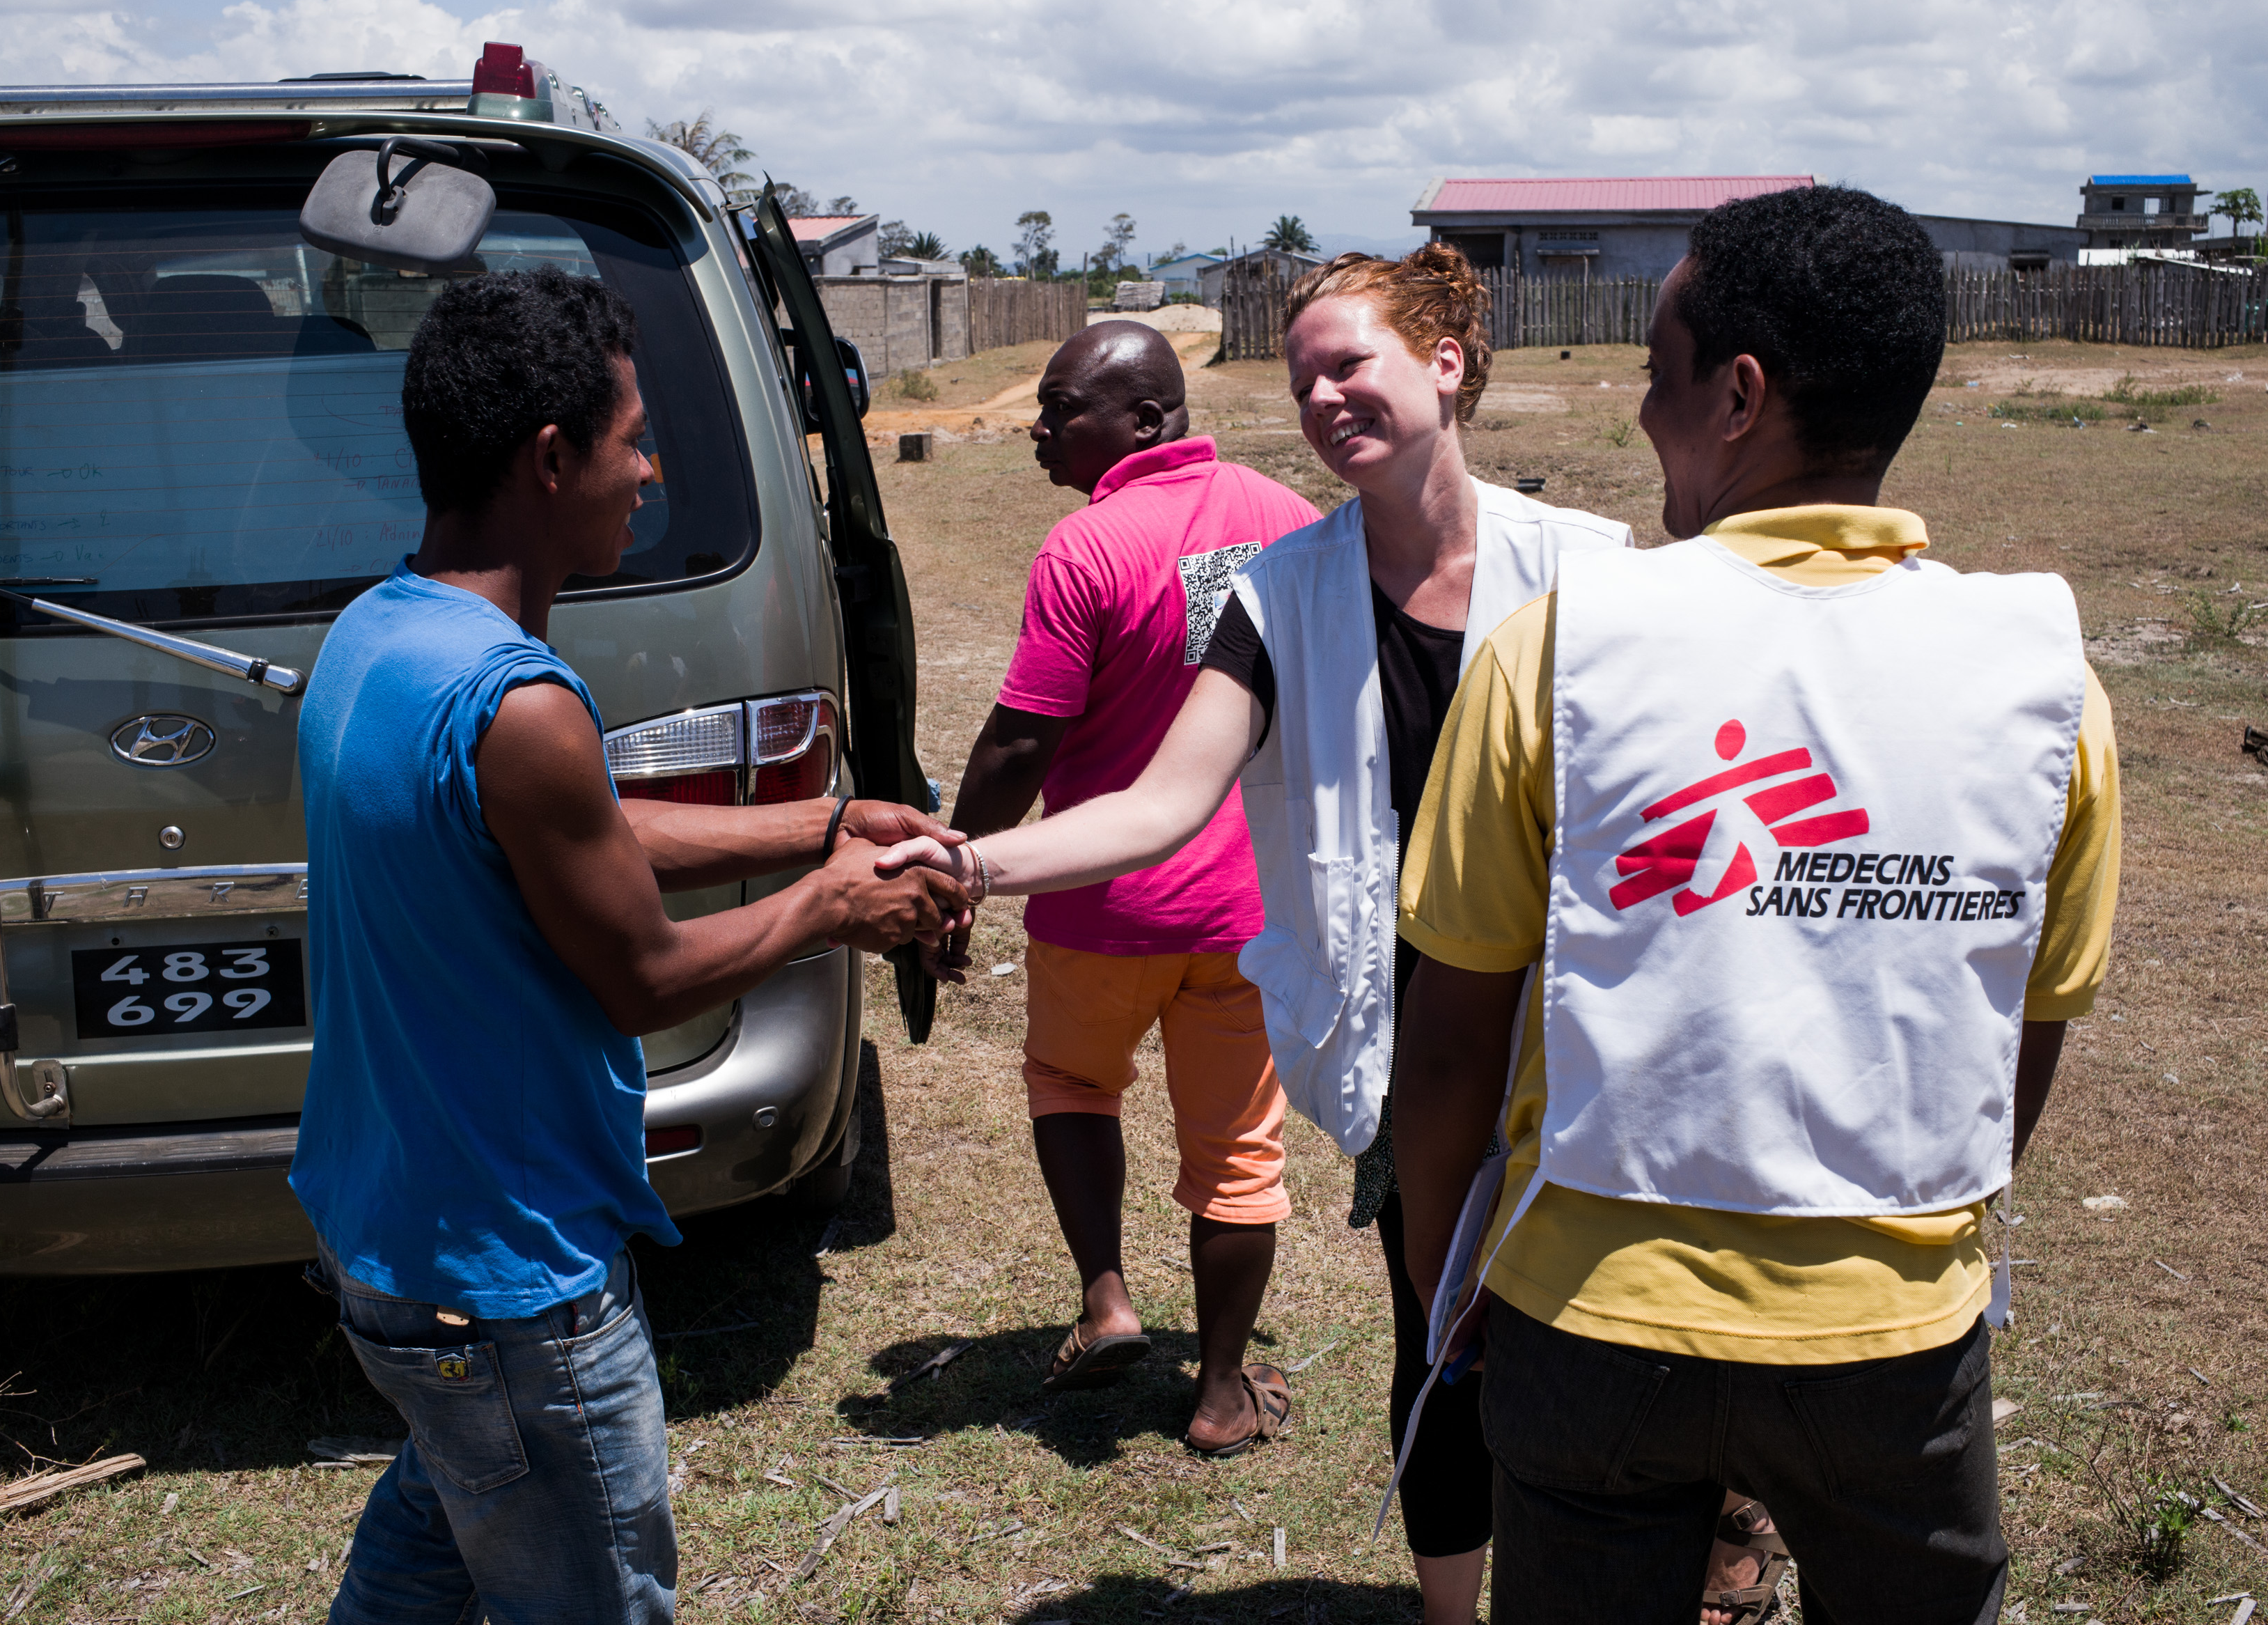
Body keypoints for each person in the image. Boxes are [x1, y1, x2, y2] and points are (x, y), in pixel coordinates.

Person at [1388, 185, 2124, 1625]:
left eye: (1657, 377)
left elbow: (1450, 1042)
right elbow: (2014, 1037)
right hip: (1893, 1335)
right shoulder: (2044, 683)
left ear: (1737, 395)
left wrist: (1446, 1287)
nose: (1637, 411)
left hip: (1587, 1310)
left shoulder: (1557, 648)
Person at [886, 248, 1631, 1624]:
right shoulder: (1279, 592)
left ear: (1446, 363)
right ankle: (1447, 1610)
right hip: (1422, 1037)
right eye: (1300, 382)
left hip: (1581, 1021)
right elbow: (1161, 801)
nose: (1323, 397)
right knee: (1440, 1341)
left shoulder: (1590, 572)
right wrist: (969, 860)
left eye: (1350, 363)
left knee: (1602, 1341)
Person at [291, 267, 968, 1625]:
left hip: (396, 1244)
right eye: (633, 437)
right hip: (513, 1283)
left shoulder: (381, 634)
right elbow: (643, 974)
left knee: (427, 1563)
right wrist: (832, 904)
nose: (648, 470)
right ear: (552, 459)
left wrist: (819, 818)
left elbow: (576, 826)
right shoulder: (515, 698)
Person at [935, 320, 1322, 1454]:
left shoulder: (1088, 548)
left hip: (1101, 904)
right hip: (1246, 914)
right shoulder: (1287, 521)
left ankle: (1107, 1300)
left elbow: (1020, 742)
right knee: (1241, 1152)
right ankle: (1218, 1394)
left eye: (1062, 409)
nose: (1039, 428)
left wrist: (960, 867)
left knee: (1069, 1079)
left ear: (1145, 421)